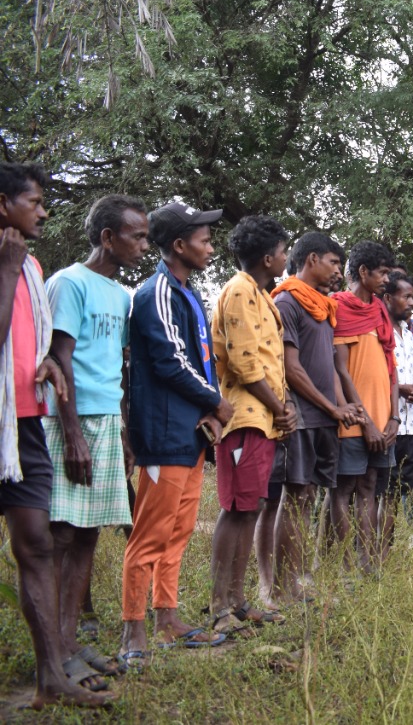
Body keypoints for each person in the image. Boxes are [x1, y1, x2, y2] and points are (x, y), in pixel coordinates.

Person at [0, 164, 111, 708]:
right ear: (4, 204)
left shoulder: (28, 265)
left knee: (39, 545)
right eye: (35, 201)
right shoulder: (12, 264)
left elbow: (32, 339)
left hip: (25, 423)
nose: (44, 211)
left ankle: (51, 678)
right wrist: (5, 268)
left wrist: (48, 363)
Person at [43, 195, 147, 685]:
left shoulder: (118, 293)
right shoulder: (69, 283)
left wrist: (123, 430)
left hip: (106, 421)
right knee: (61, 534)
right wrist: (70, 434)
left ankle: (71, 641)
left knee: (89, 531)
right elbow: (59, 358)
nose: (144, 245)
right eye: (137, 236)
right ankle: (55, 651)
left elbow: (117, 366)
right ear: (108, 238)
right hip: (72, 421)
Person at [122, 201, 232, 666]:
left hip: (190, 434)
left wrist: (206, 412)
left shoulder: (188, 292)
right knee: (149, 533)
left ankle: (167, 617)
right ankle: (133, 631)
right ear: (179, 246)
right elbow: (171, 362)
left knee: (180, 528)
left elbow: (199, 359)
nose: (211, 247)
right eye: (204, 240)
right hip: (163, 432)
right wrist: (215, 400)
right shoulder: (158, 293)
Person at [208, 215, 295, 637]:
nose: (286, 258)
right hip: (245, 417)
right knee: (237, 509)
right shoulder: (239, 290)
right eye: (283, 251)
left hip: (264, 419)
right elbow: (244, 364)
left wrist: (281, 408)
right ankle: (220, 604)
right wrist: (279, 407)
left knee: (252, 507)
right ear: (267, 257)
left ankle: (238, 601)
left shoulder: (263, 296)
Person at [267, 232, 359, 606]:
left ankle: (297, 582)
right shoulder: (288, 302)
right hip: (301, 417)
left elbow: (329, 369)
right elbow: (292, 369)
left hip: (322, 418)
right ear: (312, 260)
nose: (339, 270)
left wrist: (340, 407)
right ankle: (280, 588)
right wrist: (333, 407)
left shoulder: (323, 307)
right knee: (294, 498)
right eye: (334, 262)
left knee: (306, 501)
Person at [330, 241, 398, 572]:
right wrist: (365, 421)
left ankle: (369, 562)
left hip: (384, 420)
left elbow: (391, 367)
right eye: (383, 272)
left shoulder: (380, 310)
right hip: (353, 420)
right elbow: (340, 370)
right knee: (344, 490)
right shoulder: (339, 307)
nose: (387, 279)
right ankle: (344, 566)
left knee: (370, 488)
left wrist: (393, 418)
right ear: (363, 272)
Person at [385, 272, 413, 543]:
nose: (411, 302)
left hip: (412, 423)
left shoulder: (409, 335)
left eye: (412, 296)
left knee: (410, 484)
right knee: (386, 488)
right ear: (387, 298)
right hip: (389, 421)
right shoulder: (380, 332)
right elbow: (378, 376)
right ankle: (381, 542)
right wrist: (401, 389)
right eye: (406, 296)